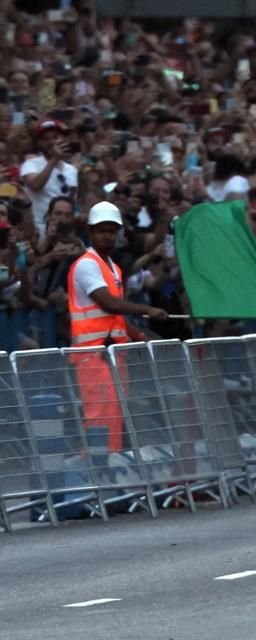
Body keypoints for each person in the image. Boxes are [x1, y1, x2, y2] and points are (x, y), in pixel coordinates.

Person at [67, 201, 168, 452]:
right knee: (99, 415)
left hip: (113, 354)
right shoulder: (87, 264)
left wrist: (139, 334)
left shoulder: (113, 268)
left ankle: (109, 467)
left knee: (115, 415)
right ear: (90, 232)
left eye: (112, 230)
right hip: (93, 354)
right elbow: (109, 303)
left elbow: (115, 317)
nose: (107, 235)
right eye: (102, 230)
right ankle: (95, 472)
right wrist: (147, 310)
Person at [19, 120, 78, 236]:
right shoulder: (30, 164)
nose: (51, 142)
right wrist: (54, 160)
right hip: (39, 228)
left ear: (63, 139)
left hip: (65, 230)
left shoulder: (72, 169)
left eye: (56, 137)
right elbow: (35, 185)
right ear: (38, 143)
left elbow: (72, 200)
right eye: (46, 139)